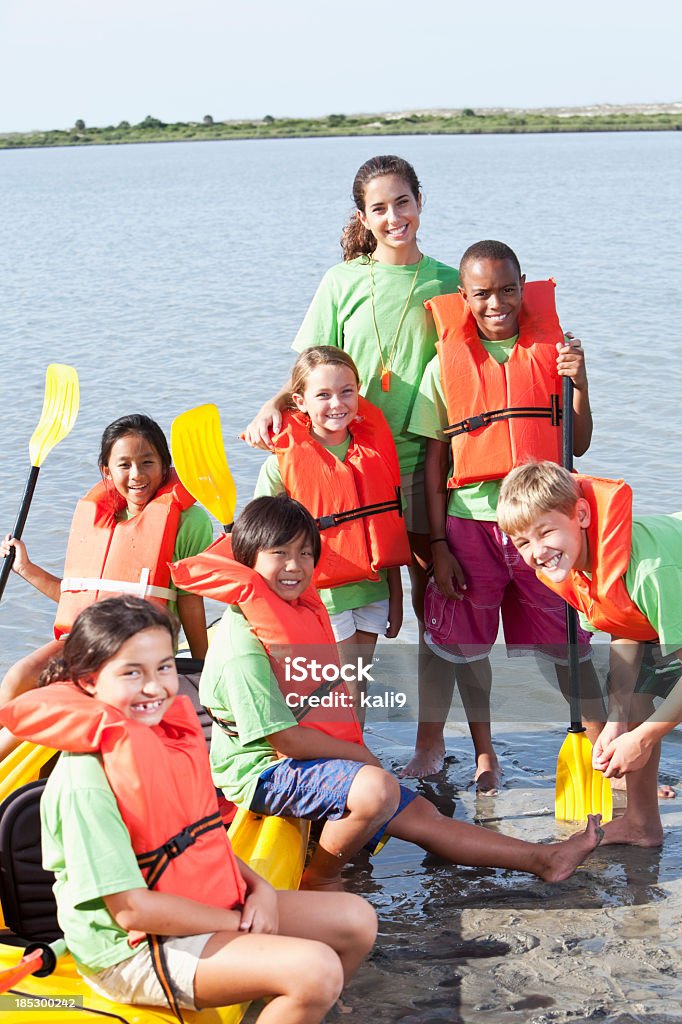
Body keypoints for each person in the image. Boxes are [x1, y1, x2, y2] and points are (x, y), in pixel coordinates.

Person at [172, 495, 604, 893]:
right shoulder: (240, 646)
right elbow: (283, 740)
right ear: (246, 561)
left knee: (422, 816)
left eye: (305, 553)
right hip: (259, 774)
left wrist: (354, 759)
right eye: (279, 553)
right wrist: (362, 759)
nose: (295, 565)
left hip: (307, 757)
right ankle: (320, 879)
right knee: (378, 789)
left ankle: (543, 859)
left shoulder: (295, 613)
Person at [0, 597, 377, 1022]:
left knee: (355, 919)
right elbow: (131, 910)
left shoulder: (164, 740)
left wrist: (261, 890)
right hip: (129, 950)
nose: (154, 687)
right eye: (131, 673)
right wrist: (235, 924)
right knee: (315, 970)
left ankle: (295, 1010)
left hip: (190, 905)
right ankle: (297, 993)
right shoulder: (85, 782)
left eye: (163, 667)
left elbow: (201, 839)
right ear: (88, 682)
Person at [242, 154, 461, 725]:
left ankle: (429, 739)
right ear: (363, 217)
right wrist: (273, 404)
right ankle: (332, 725)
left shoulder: (448, 281)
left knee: (430, 604)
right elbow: (309, 371)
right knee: (341, 601)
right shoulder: (341, 281)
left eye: (403, 203)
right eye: (379, 208)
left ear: (420, 202)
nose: (394, 217)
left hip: (426, 465)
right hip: (347, 464)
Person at [406, 239, 603, 788]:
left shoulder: (556, 355)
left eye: (509, 289)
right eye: (483, 293)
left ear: (523, 287)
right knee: (465, 647)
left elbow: (579, 444)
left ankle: (604, 751)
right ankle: (484, 755)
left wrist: (581, 383)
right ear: (464, 297)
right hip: (471, 527)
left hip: (542, 526)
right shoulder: (443, 368)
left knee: (568, 642)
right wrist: (439, 545)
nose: (498, 303)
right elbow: (433, 463)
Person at [497, 460, 682, 847]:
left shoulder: (649, 571)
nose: (538, 552)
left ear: (580, 514)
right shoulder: (575, 564)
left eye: (546, 532)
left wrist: (643, 739)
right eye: (523, 543)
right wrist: (617, 722)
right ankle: (642, 824)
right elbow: (626, 627)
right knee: (633, 697)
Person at [0, 413, 212, 711]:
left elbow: (191, 600)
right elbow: (78, 599)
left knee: (89, 700)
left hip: (142, 653)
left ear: (166, 467)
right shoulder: (97, 519)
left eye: (147, 462)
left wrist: (204, 669)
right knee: (17, 678)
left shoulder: (189, 521)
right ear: (107, 471)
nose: (137, 474)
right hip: (86, 644)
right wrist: (25, 568)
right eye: (124, 465)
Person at [253, 346, 411, 722]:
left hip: (372, 589)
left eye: (346, 392)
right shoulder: (281, 463)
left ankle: (352, 752)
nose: (336, 403)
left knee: (357, 684)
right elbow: (260, 540)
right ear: (300, 402)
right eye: (322, 395)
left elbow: (389, 522)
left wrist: (397, 595)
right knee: (339, 686)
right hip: (321, 593)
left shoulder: (375, 450)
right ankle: (346, 757)